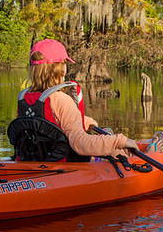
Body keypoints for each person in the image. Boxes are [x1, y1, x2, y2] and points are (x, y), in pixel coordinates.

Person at [11, 39, 145, 161]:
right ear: (59, 68)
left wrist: (81, 121)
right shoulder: (61, 99)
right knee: (117, 151)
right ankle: (151, 152)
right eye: (64, 63)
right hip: (63, 166)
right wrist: (120, 141)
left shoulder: (23, 98)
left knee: (108, 145)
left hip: (35, 162)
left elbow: (46, 125)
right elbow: (80, 144)